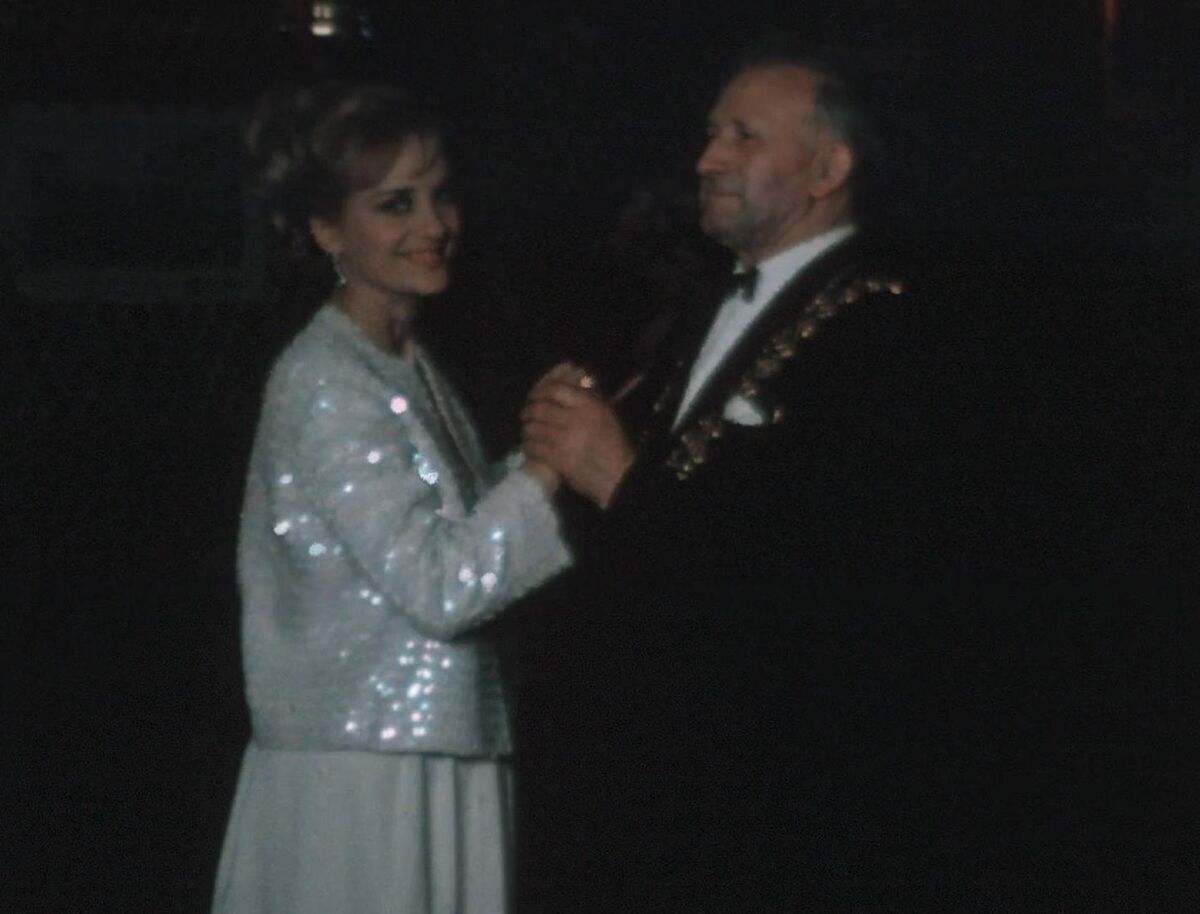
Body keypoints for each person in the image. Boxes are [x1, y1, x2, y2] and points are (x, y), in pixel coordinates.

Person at [517, 40, 1087, 910]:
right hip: (659, 772)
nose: (708, 159)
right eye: (711, 134)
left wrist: (620, 478)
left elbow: (821, 572)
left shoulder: (888, 333)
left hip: (780, 788)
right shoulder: (694, 305)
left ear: (828, 169)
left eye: (744, 138)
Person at [211, 83, 570, 914]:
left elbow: (451, 534)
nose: (434, 225)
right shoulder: (325, 381)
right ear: (327, 229)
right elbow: (440, 586)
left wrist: (539, 445)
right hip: (364, 777)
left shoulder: (403, 360)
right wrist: (547, 469)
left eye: (441, 195)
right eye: (395, 204)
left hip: (433, 751)